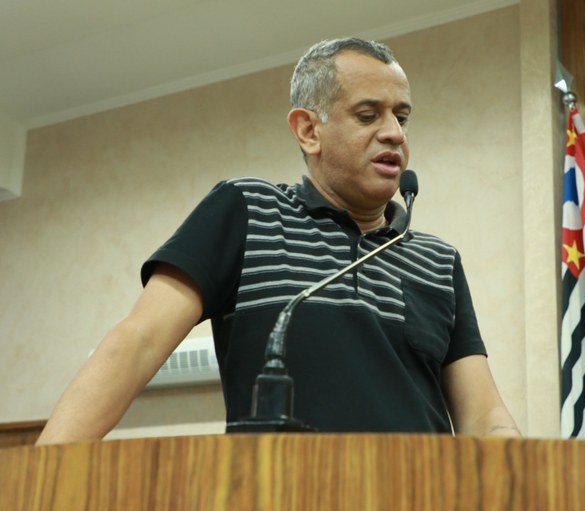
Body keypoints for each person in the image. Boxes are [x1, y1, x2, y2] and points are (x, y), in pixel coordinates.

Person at [36, 37, 520, 444]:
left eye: (403, 117)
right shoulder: (248, 210)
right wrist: (40, 478)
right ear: (309, 130)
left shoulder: (437, 260)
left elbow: (483, 415)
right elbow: (137, 343)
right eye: (368, 115)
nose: (394, 133)